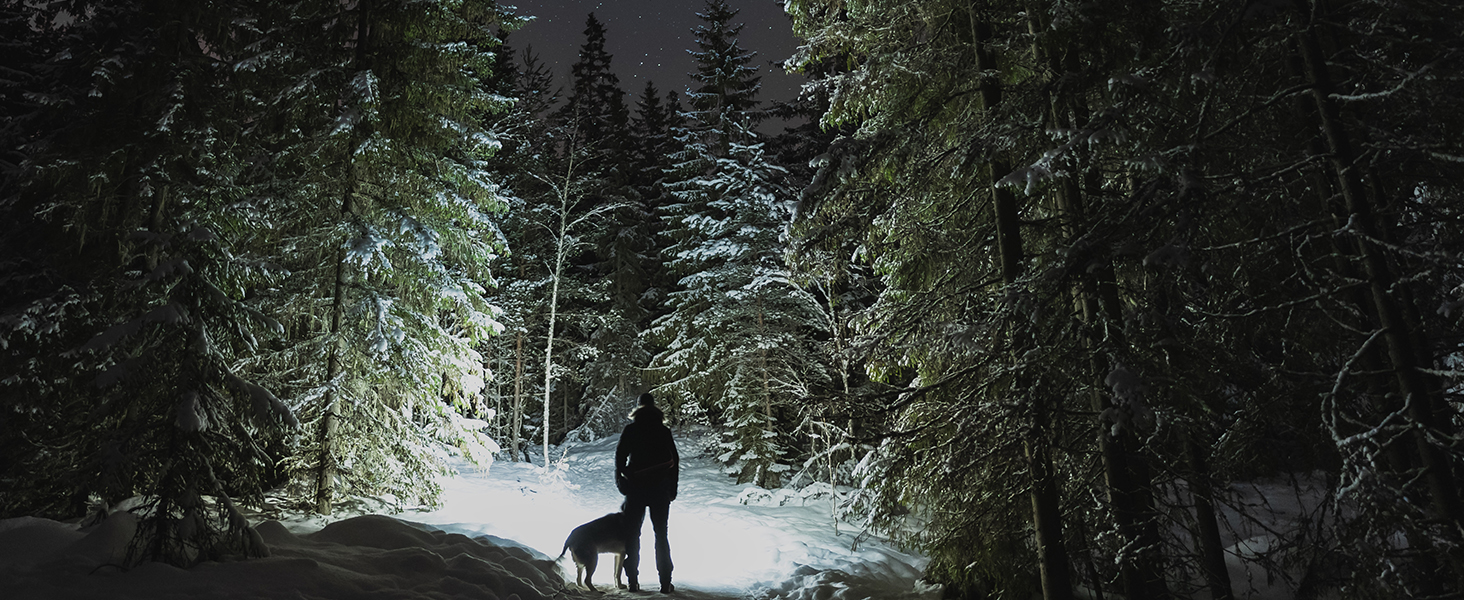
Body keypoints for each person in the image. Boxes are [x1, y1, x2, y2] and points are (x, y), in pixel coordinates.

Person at [615, 392, 679, 593]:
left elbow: (620, 457)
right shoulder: (663, 430)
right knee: (661, 535)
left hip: (636, 488)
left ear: (638, 408)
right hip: (660, 489)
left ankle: (633, 580)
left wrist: (623, 480)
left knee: (632, 534)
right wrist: (672, 488)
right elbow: (674, 461)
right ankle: (665, 582)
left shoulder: (631, 429)